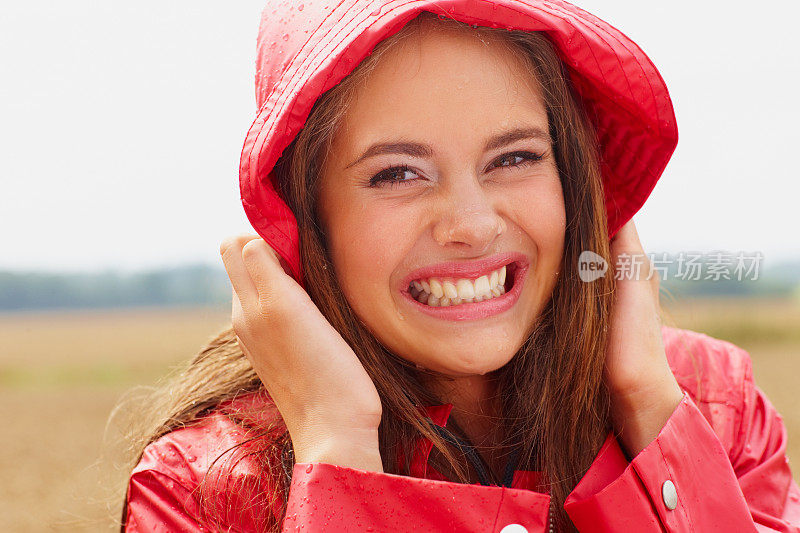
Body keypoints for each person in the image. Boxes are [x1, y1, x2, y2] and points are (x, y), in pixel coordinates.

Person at [121, 1, 800, 531]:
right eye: (397, 173)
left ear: (573, 179)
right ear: (307, 218)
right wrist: (338, 453)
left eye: (514, 158)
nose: (471, 225)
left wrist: (651, 412)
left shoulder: (714, 408)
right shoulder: (203, 490)